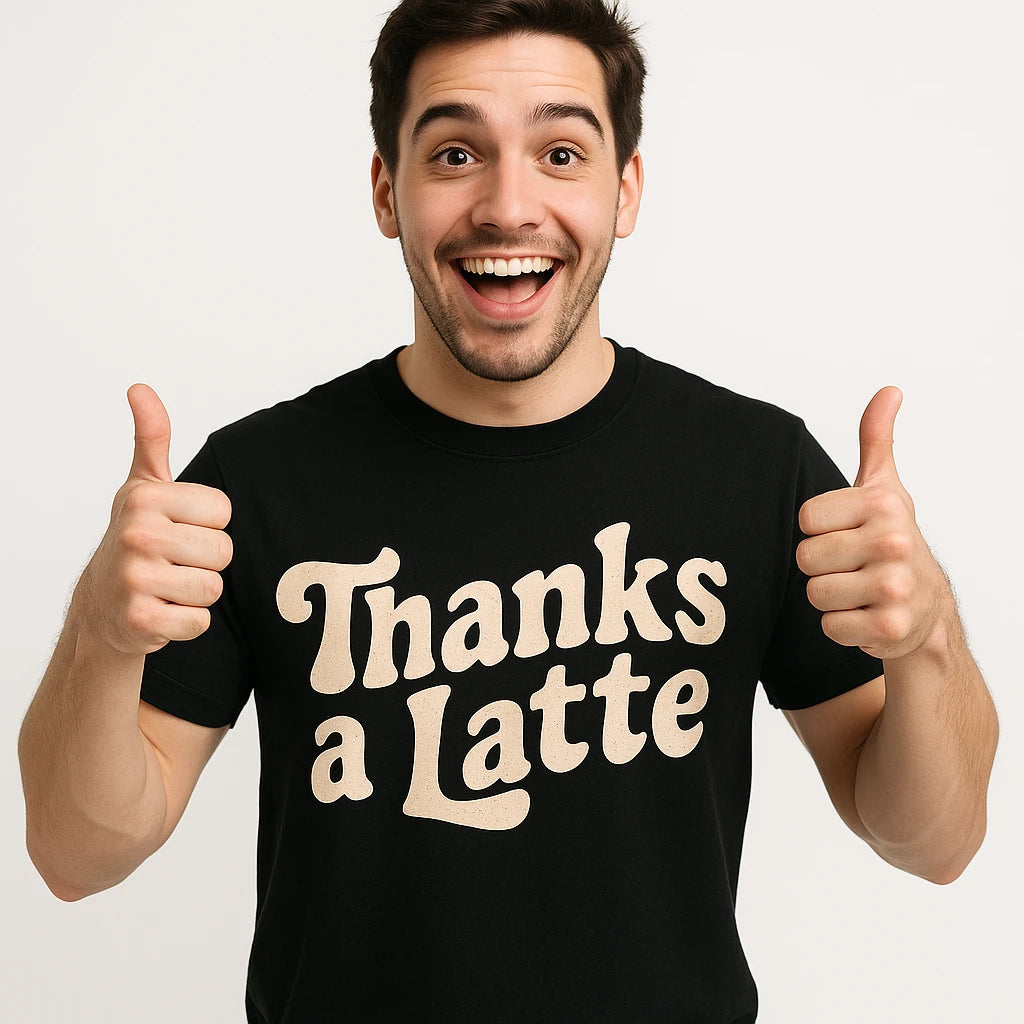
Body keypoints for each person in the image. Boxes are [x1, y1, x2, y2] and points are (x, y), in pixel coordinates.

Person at [17, 1, 999, 1021]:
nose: (507, 205)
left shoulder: (754, 470)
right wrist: (102, 630)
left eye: (561, 151)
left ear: (625, 189)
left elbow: (932, 842)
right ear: (386, 190)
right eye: (453, 154)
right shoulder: (255, 483)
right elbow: (76, 854)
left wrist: (926, 637)